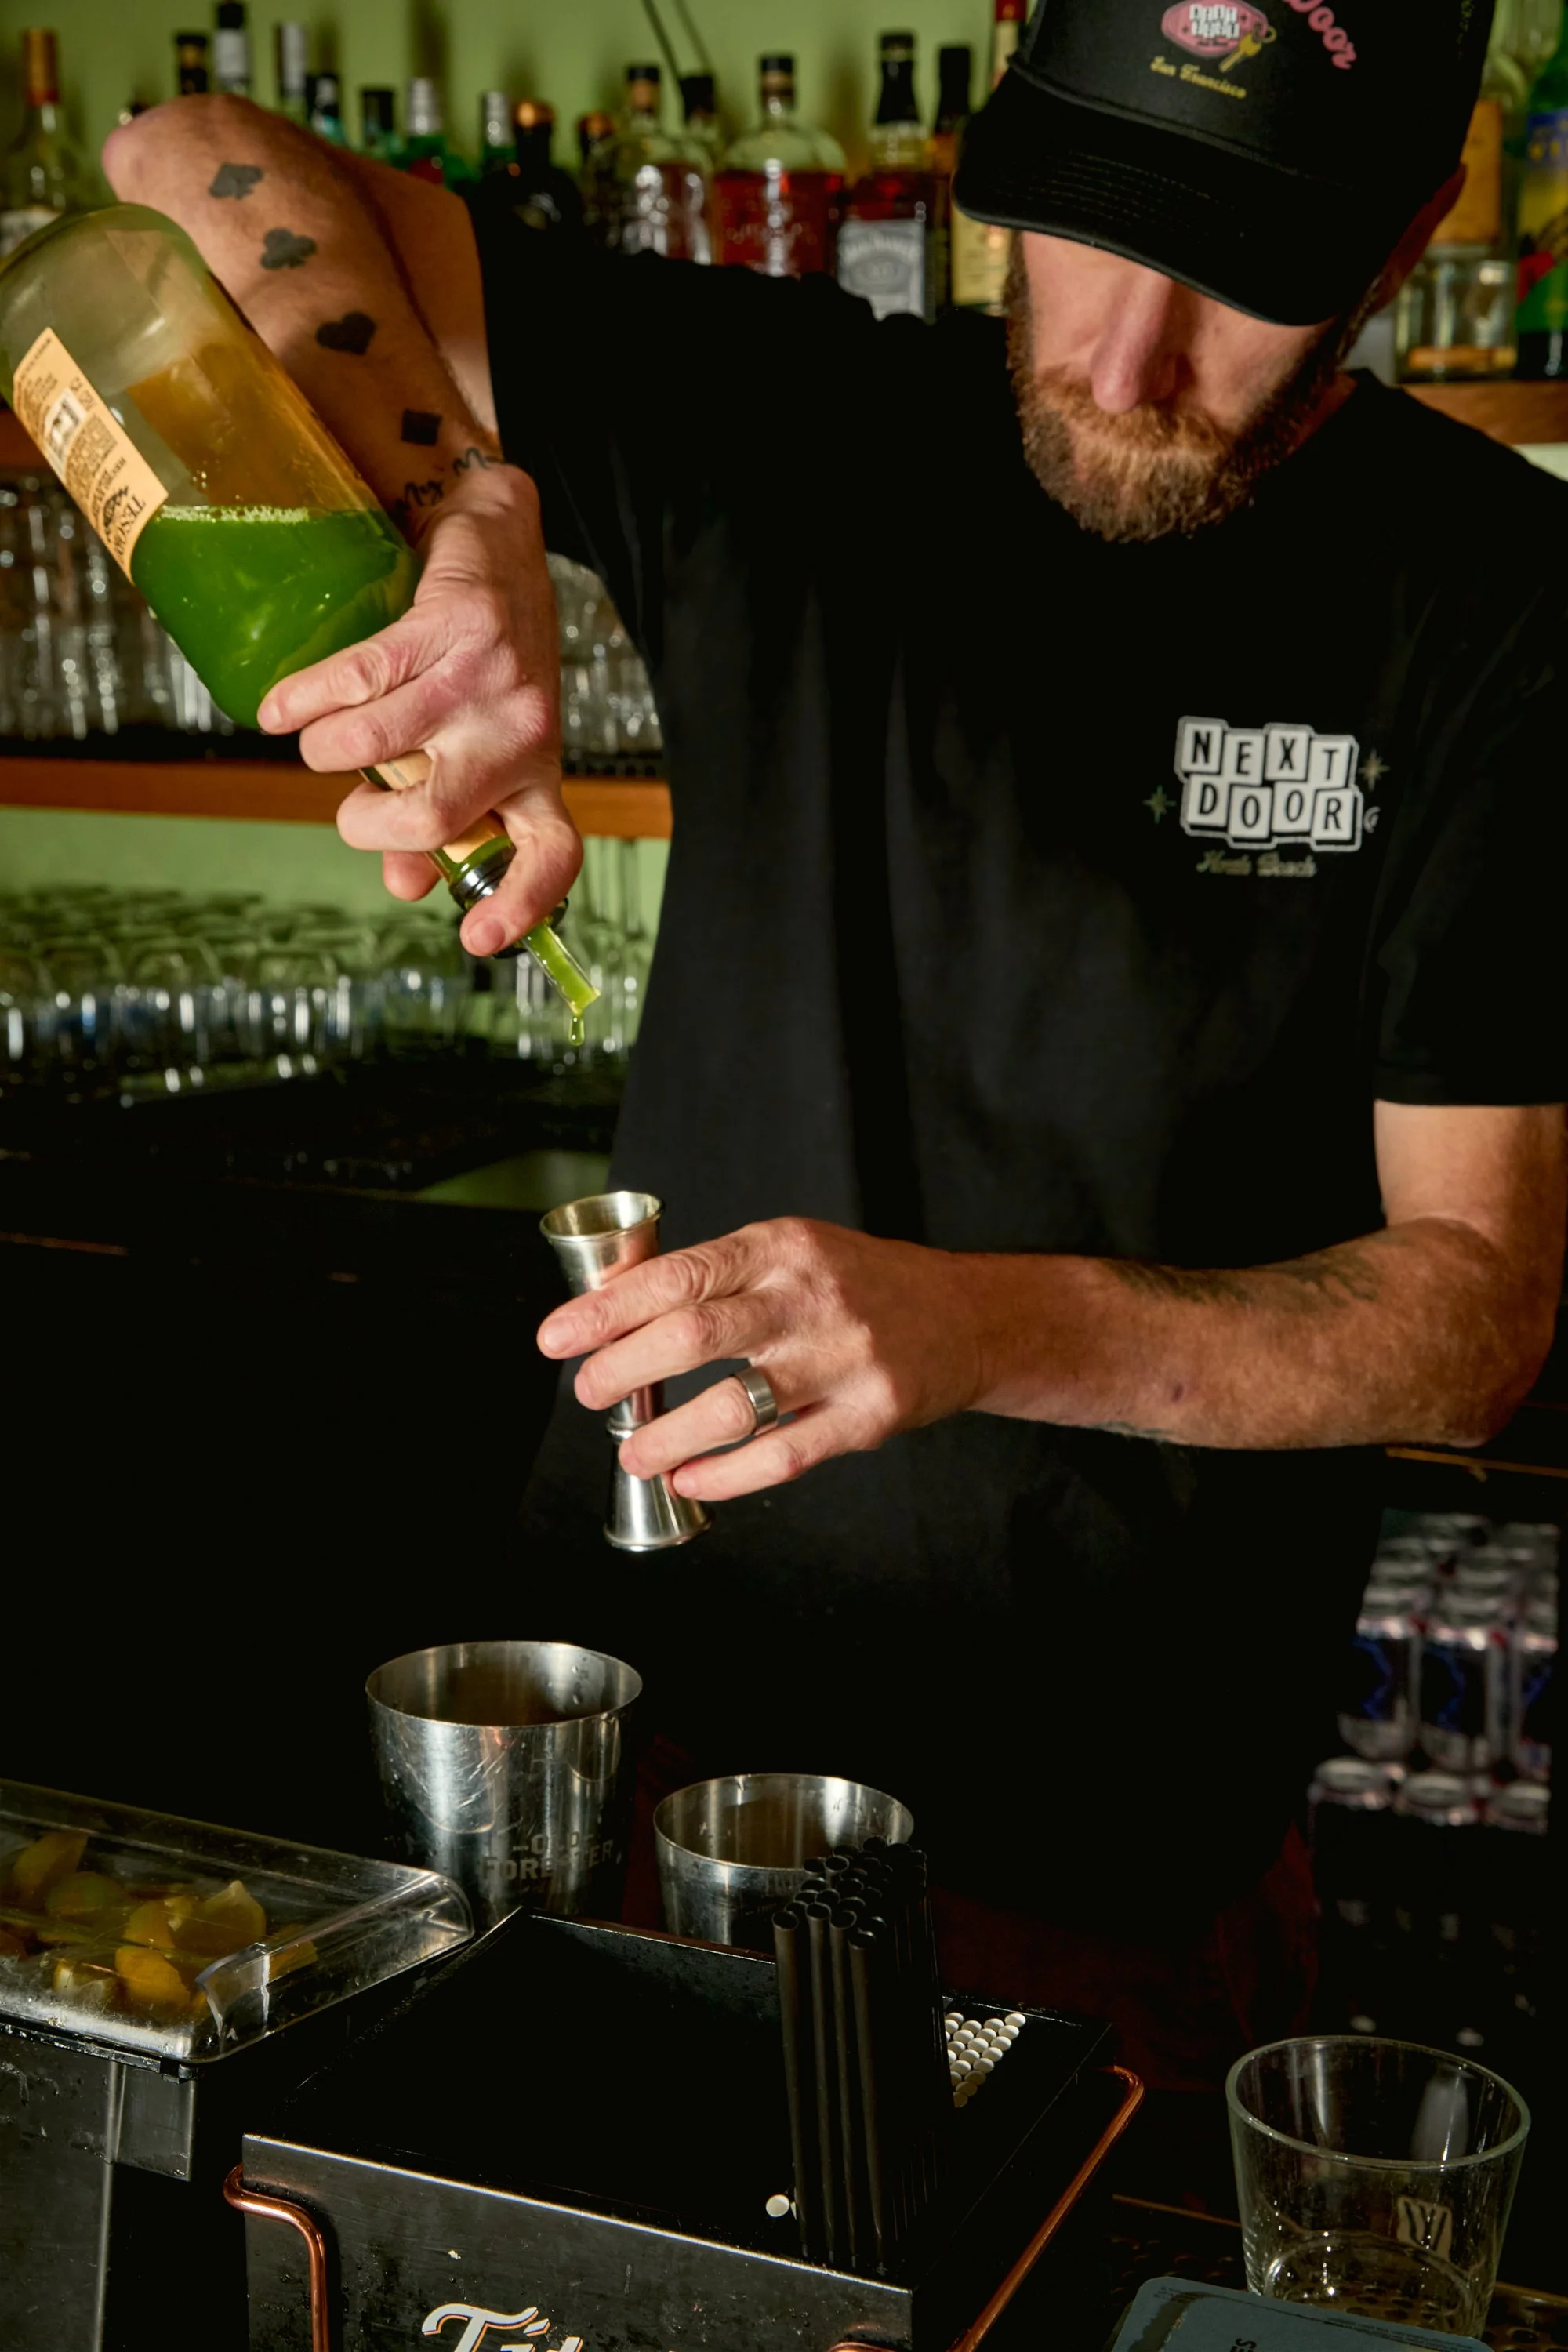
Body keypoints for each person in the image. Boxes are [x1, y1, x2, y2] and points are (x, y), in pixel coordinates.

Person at [105, 0, 1566, 2096]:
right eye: (1094, 223)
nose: (1132, 359)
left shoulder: (1500, 602)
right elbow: (181, 156)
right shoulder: (782, 418)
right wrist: (460, 508)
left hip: (1102, 1866)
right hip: (621, 1759)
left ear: (1416, 224)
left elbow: (1473, 1312)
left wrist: (974, 1331)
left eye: (1250, 274)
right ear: (1005, 78)